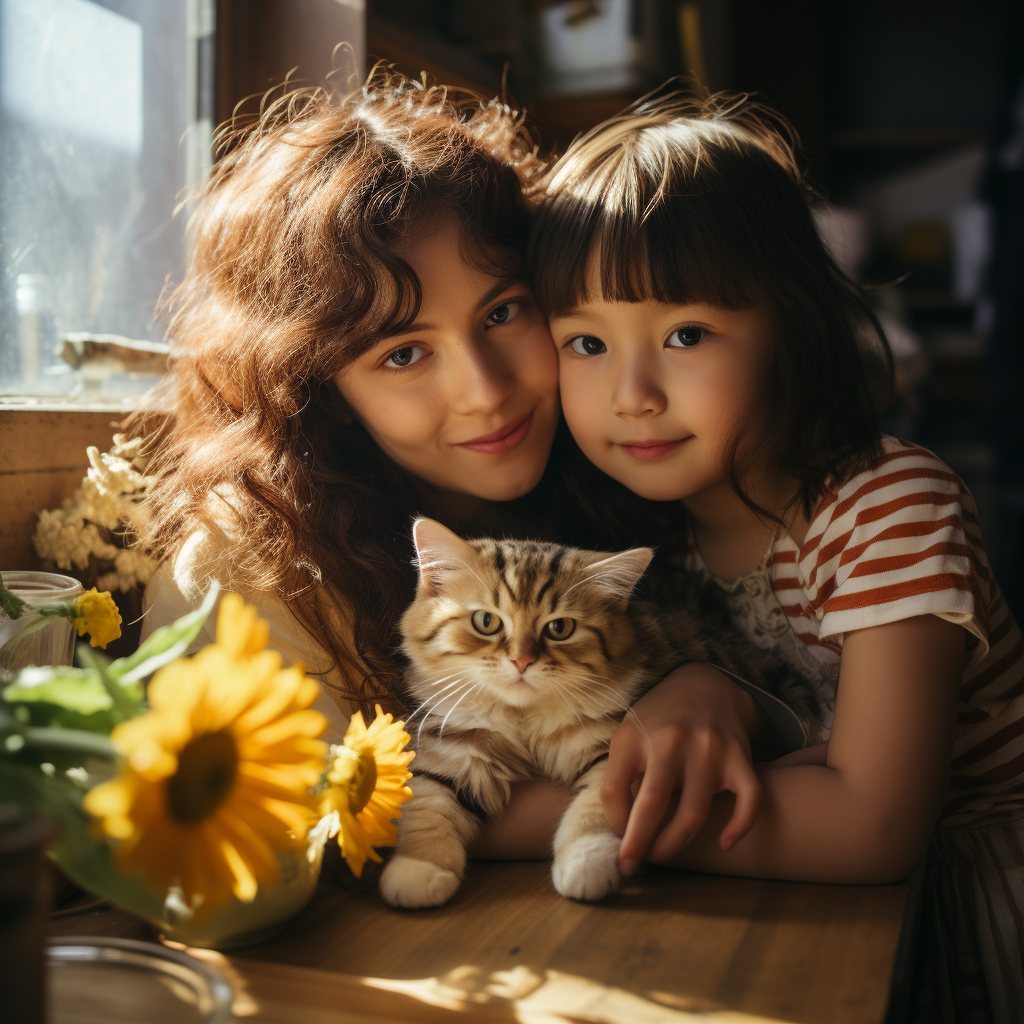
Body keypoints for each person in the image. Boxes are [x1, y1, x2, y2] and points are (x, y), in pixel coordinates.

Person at [130, 69, 795, 864]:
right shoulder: (249, 569)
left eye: (504, 312)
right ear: (325, 390)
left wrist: (723, 692)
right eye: (404, 353)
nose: (486, 392)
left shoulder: (636, 462)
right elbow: (323, 821)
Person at [529, 83, 1024, 1023]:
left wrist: (525, 824)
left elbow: (875, 825)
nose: (631, 393)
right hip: (796, 909)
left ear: (790, 328)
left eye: (686, 334)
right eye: (585, 342)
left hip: (975, 910)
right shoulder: (646, 547)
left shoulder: (888, 506)